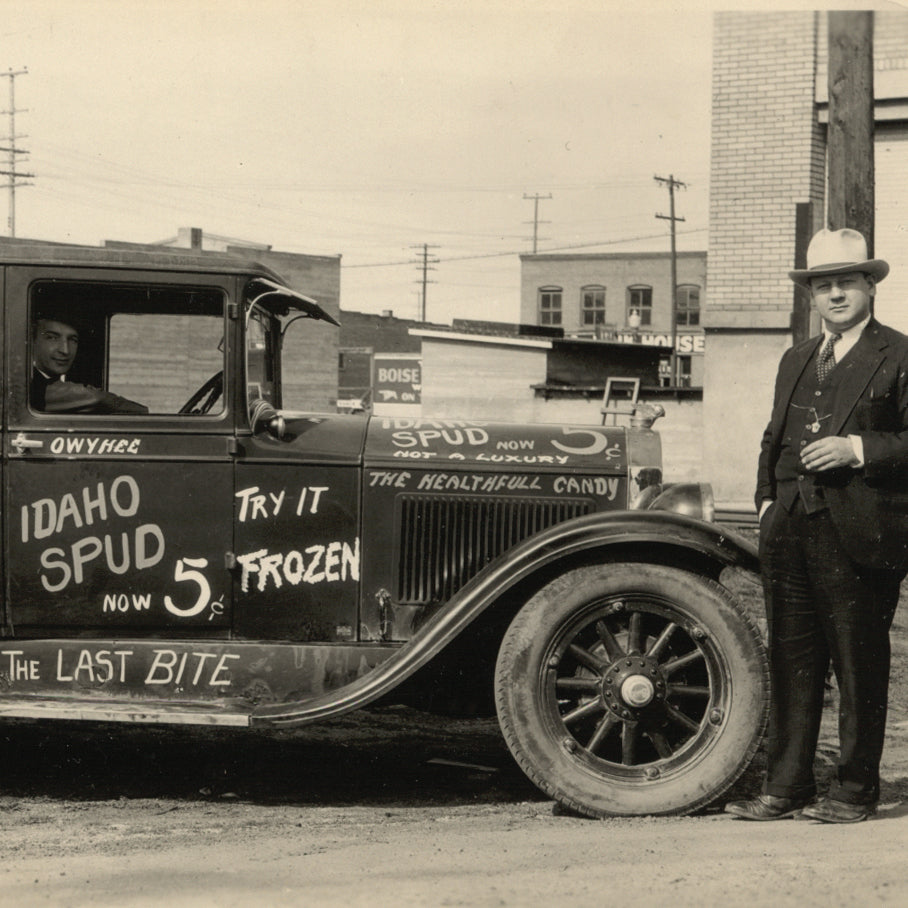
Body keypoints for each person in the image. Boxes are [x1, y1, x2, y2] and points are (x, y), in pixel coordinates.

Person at [725, 228, 908, 824]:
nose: (834, 294)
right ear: (811, 295)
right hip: (790, 530)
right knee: (792, 661)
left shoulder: (900, 354)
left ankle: (855, 792)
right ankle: (787, 787)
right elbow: (772, 438)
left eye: (846, 282)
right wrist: (763, 505)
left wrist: (857, 447)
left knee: (858, 666)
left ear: (870, 287)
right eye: (823, 285)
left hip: (861, 534)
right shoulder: (796, 357)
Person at [31, 313, 148, 414]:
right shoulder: (31, 386)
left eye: (72, 340)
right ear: (32, 342)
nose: (65, 350)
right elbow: (96, 398)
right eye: (52, 338)